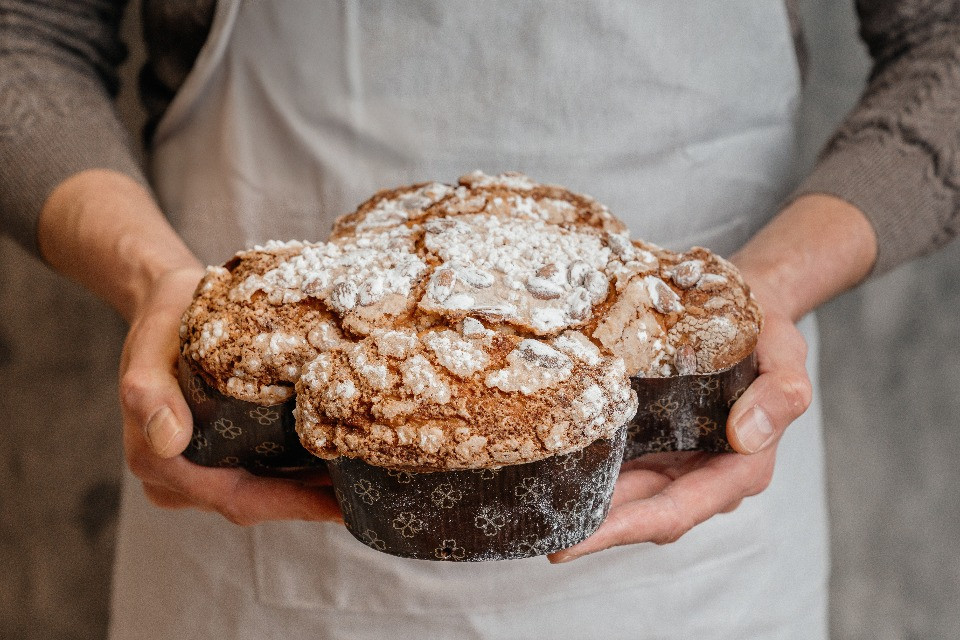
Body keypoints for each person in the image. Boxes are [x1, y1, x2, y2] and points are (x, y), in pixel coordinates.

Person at [1, 0, 957, 638]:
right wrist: (152, 277)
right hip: (248, 489)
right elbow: (25, 34)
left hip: (697, 507)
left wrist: (768, 288)